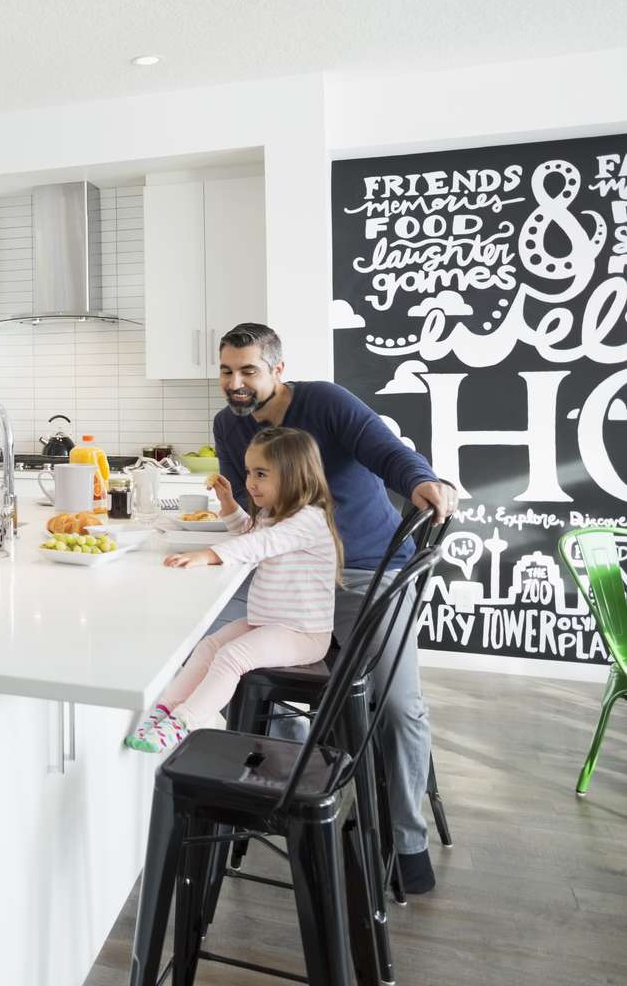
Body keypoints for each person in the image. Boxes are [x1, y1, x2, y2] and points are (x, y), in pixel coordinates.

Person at [210, 322, 457, 893]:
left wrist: (421, 480)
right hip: (290, 576)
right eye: (227, 370)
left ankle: (404, 841)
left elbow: (387, 452)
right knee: (209, 653)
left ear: (277, 369)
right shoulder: (229, 425)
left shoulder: (325, 402)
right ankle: (293, 786)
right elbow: (260, 514)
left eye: (248, 370)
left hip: (365, 573)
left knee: (396, 704)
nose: (236, 383)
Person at [128, 427, 341, 753]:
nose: (251, 482)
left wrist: (207, 555)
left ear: (293, 476)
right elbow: (249, 531)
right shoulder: (275, 514)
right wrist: (227, 502)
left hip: (303, 633)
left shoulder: (307, 520)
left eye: (261, 474)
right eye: (248, 472)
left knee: (231, 656)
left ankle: (186, 721)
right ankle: (166, 708)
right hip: (270, 622)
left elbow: (258, 544)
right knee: (209, 646)